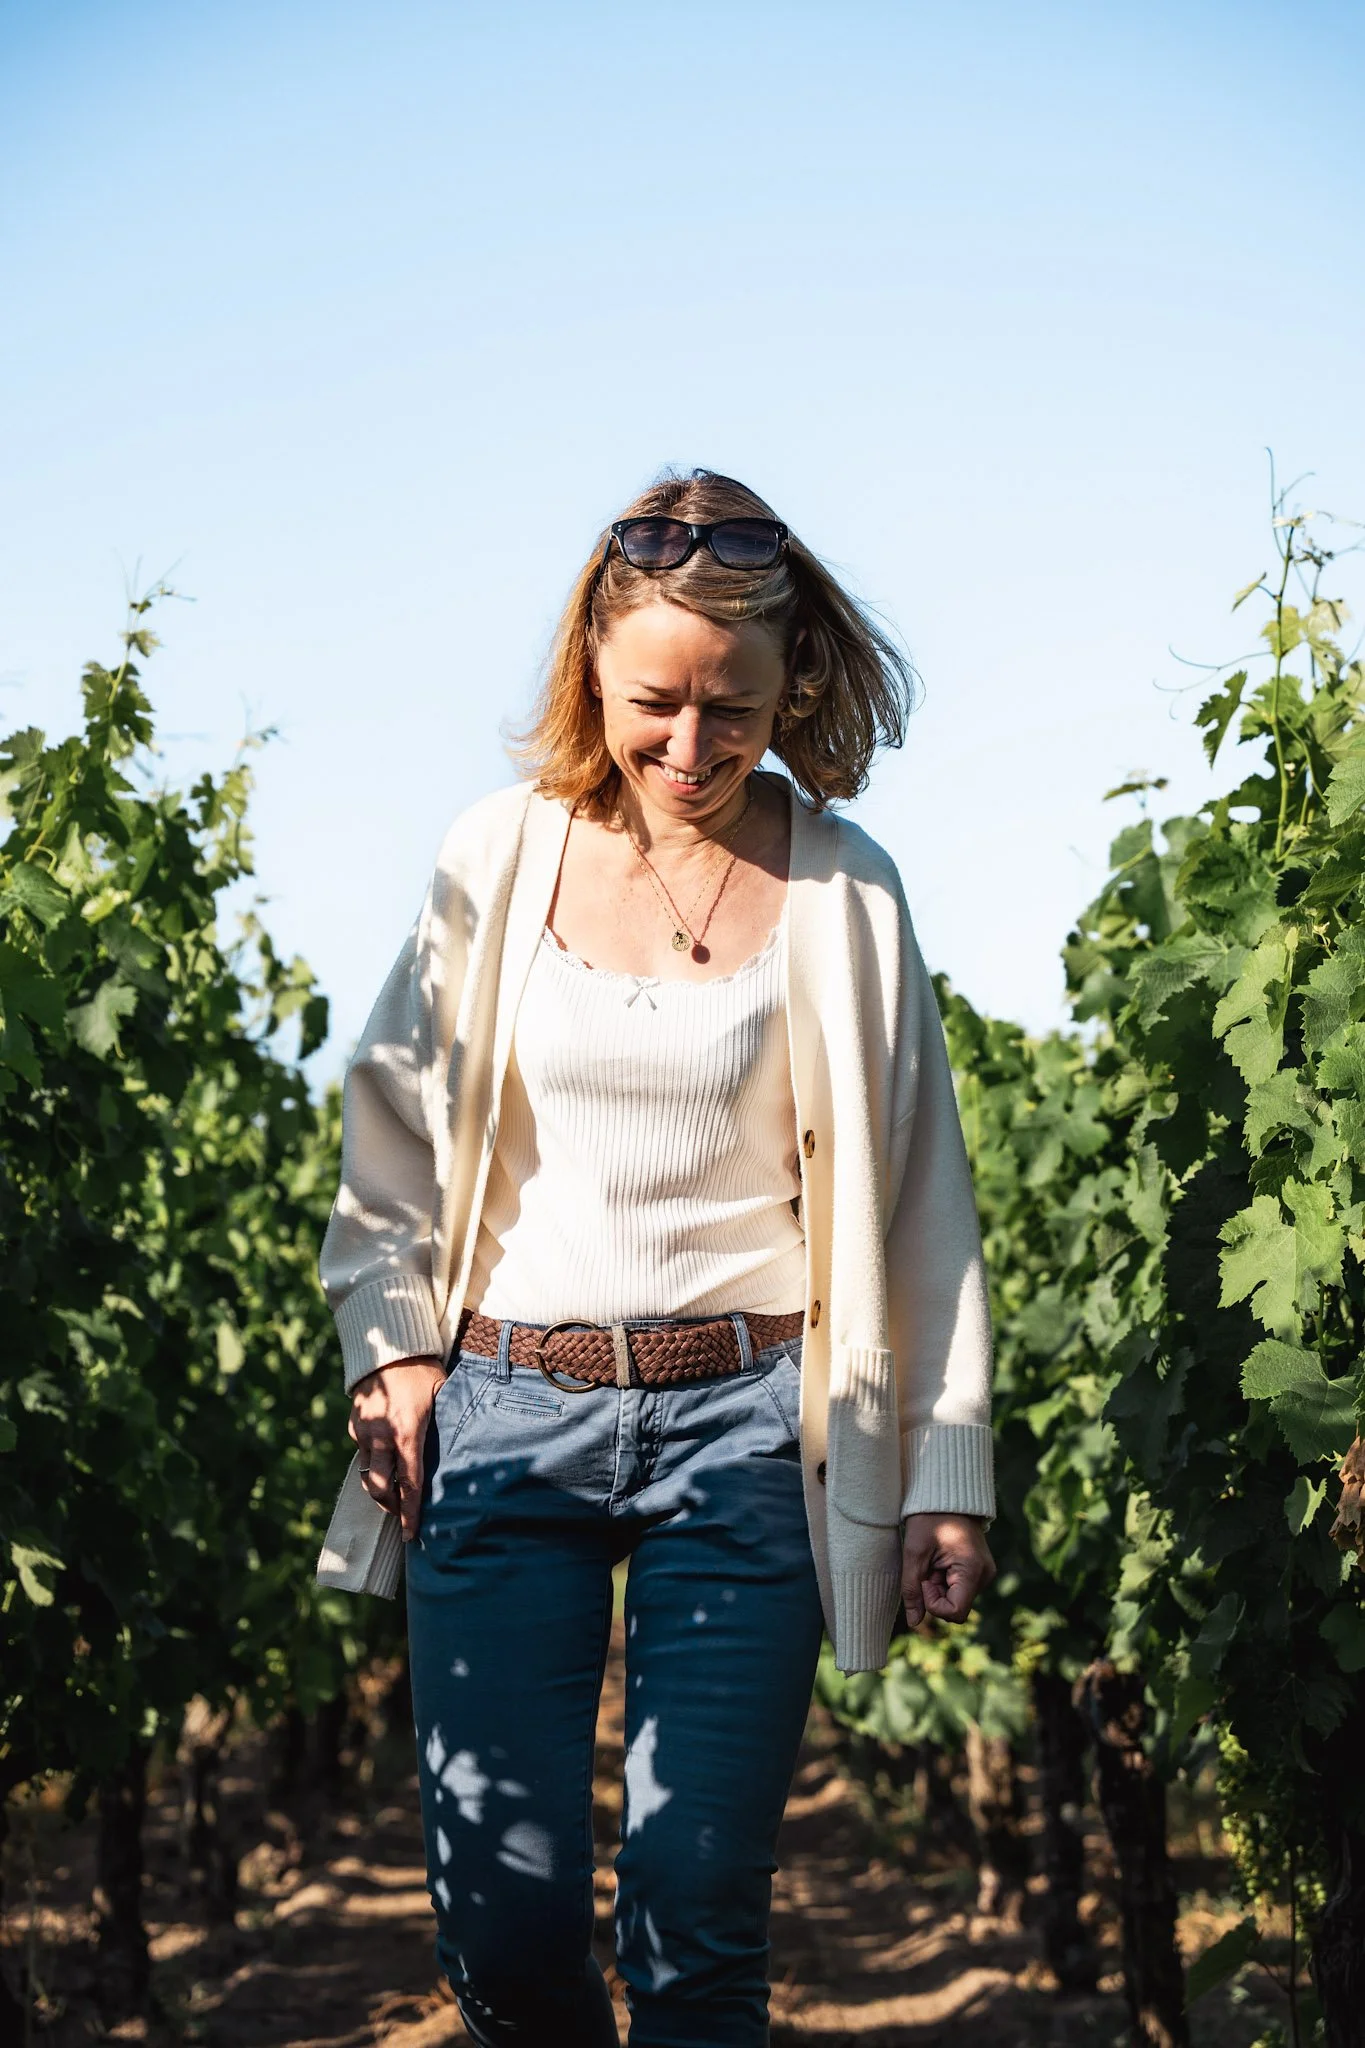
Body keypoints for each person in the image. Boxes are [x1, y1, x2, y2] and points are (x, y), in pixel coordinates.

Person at [315, 469, 996, 2046]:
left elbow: (919, 1197)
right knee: (504, 1910)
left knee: (697, 1906)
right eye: (654, 707)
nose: (690, 751)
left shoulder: (847, 889)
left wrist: (946, 1467)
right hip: (507, 1409)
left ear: (791, 685)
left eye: (732, 712)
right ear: (591, 675)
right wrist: (398, 1347)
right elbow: (396, 1129)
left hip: (746, 1433)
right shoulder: (499, 856)